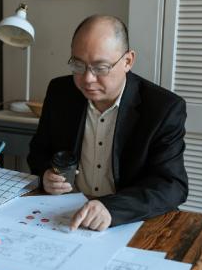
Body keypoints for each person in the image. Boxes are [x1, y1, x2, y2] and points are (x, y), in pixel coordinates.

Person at [28, 15, 188, 232]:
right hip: (65, 214)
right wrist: (45, 174)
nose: (87, 79)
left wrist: (112, 208)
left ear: (128, 61)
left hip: (128, 221)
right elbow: (38, 151)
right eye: (78, 64)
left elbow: (171, 186)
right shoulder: (60, 92)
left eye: (100, 67)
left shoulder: (163, 108)